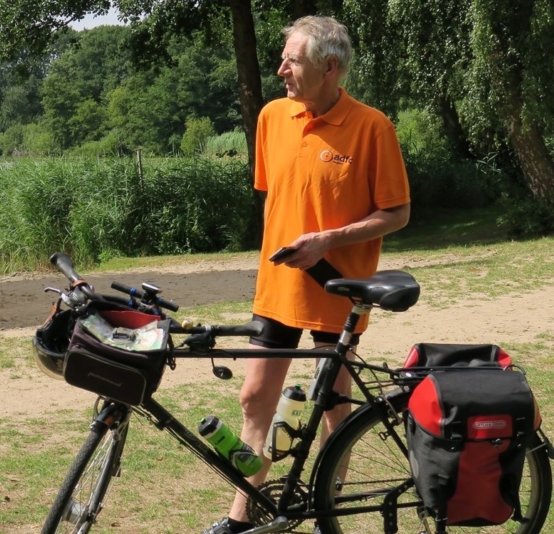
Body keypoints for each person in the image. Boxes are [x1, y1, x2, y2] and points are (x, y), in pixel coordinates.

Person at [202, 15, 411, 534]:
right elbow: (277, 194)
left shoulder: (372, 126)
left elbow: (397, 212)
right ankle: (242, 515)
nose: (281, 71)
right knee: (254, 397)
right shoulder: (273, 117)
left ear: (330, 67)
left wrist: (327, 240)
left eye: (292, 61)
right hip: (277, 288)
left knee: (334, 404)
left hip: (338, 288)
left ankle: (327, 513)